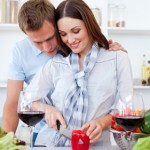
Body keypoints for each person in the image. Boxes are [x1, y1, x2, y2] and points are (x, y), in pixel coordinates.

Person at [2, 0, 126, 134]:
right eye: (37, 42)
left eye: (51, 38)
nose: (47, 47)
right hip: (42, 128)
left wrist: (107, 48)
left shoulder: (74, 44)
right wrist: (6, 141)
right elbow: (15, 102)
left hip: (85, 131)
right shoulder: (21, 52)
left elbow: (92, 45)